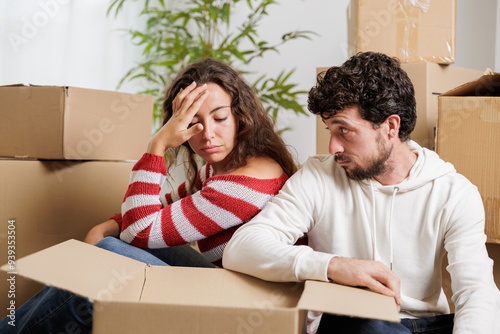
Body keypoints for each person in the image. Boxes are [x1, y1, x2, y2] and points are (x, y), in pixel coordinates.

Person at [0, 58, 300, 333]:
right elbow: (158, 210)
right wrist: (104, 229)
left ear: (241, 117)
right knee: (108, 252)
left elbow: (139, 229)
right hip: (228, 288)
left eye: (220, 118)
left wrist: (157, 145)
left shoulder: (243, 185)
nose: (207, 133)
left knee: (105, 271)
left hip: (248, 312)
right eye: (193, 122)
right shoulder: (223, 167)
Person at [223, 51, 500, 334]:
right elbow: (242, 248)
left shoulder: (454, 192)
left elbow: (476, 290)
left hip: (427, 324)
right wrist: (334, 266)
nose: (333, 147)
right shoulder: (319, 176)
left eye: (344, 130)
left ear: (391, 127)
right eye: (330, 130)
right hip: (359, 322)